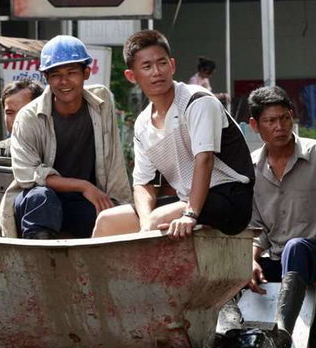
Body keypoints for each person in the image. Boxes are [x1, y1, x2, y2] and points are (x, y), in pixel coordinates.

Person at [93, 30, 254, 239]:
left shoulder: (197, 101)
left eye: (161, 63)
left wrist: (190, 214)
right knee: (107, 221)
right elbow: (143, 183)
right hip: (186, 200)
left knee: (157, 221)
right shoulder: (142, 124)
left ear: (172, 66)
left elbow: (204, 159)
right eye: (147, 66)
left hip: (229, 198)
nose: (156, 72)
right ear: (131, 76)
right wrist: (144, 224)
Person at [245, 85, 316, 348]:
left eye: (285, 118)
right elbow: (257, 227)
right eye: (270, 121)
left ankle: (283, 330)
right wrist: (249, 260)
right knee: (230, 268)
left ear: (292, 117)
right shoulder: (252, 168)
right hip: (279, 259)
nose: (280, 127)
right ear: (255, 125)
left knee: (296, 247)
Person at [0, 35, 131, 239]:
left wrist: (120, 206)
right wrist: (83, 185)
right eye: (56, 74)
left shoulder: (101, 103)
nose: (64, 81)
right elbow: (27, 174)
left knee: (113, 216)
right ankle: (39, 261)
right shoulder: (28, 117)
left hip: (81, 203)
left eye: (72, 72)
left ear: (86, 73)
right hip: (38, 207)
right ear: (46, 78)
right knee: (41, 197)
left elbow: (114, 161)